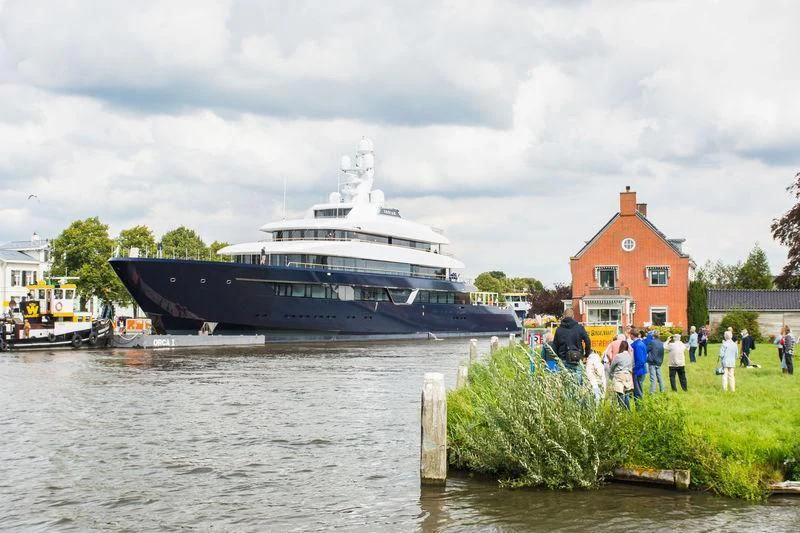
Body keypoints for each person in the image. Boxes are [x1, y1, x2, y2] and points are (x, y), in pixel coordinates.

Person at [552, 309, 591, 382]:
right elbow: (587, 341)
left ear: (564, 316)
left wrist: (557, 358)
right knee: (577, 385)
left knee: (565, 385)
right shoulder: (579, 328)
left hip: (563, 359)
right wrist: (586, 354)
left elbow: (554, 346)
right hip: (577, 358)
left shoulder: (559, 329)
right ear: (573, 316)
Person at [609, 340, 634, 410]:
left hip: (619, 376)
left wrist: (610, 375)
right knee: (626, 394)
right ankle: (628, 410)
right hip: (627, 375)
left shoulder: (618, 356)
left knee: (619, 394)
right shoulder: (629, 356)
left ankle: (621, 408)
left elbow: (612, 366)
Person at [631, 330, 648, 401]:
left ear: (632, 335)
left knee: (637, 391)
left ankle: (639, 408)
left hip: (638, 371)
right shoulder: (642, 343)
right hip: (641, 370)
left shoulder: (637, 345)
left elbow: (640, 360)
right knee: (638, 389)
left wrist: (634, 369)